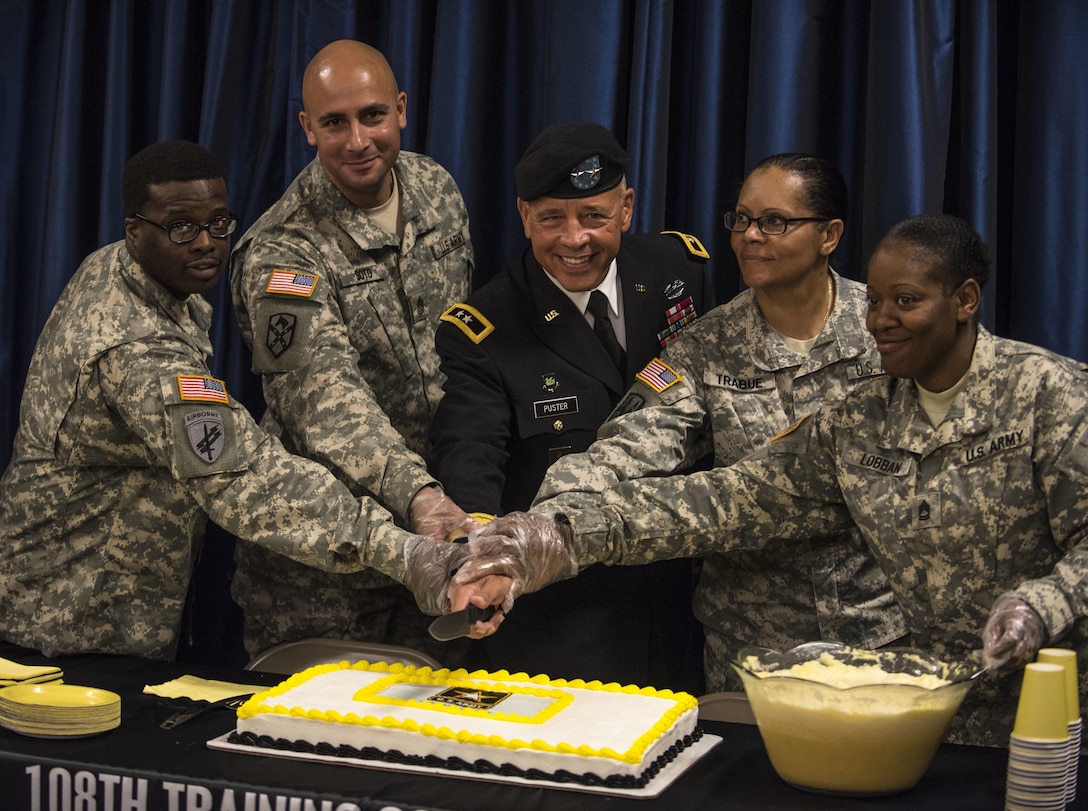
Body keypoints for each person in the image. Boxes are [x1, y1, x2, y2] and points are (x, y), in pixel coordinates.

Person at [456, 213, 1088, 748]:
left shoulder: (1050, 396)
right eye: (876, 303)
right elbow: (727, 499)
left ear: (965, 301)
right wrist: (557, 536)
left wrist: (1041, 605)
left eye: (907, 303)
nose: (880, 322)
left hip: (1037, 718)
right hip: (911, 718)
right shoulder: (858, 421)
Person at [0, 140, 500, 661]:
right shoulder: (133, 347)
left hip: (116, 604)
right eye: (181, 227)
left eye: (218, 223)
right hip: (63, 625)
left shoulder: (135, 274)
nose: (205, 243)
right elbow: (242, 474)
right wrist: (406, 551)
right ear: (134, 232)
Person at [532, 153, 906, 692]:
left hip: (878, 637)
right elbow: (627, 446)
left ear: (829, 235)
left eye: (775, 222)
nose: (751, 236)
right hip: (751, 649)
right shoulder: (706, 346)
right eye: (742, 219)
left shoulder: (887, 332)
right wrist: (542, 524)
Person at [427, 122, 713, 691]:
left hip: (679, 602)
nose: (574, 238)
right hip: (563, 619)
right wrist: (478, 556)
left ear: (626, 208)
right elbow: (469, 453)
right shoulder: (485, 328)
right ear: (524, 215)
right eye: (552, 218)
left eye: (594, 216)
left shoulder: (678, 270)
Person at [229, 40, 476, 661]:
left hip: (441, 540)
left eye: (372, 116)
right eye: (334, 123)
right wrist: (420, 496)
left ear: (400, 109)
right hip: (325, 568)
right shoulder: (281, 251)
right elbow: (322, 403)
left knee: (431, 739)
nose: (358, 140)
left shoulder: (437, 191)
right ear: (308, 127)